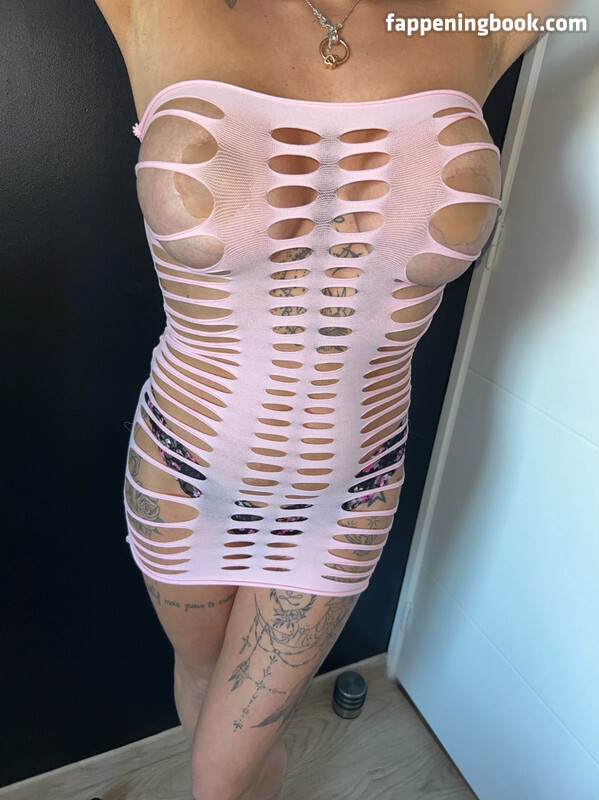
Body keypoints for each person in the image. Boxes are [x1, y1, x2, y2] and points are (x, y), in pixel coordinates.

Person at [94, 2, 564, 798]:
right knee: (206, 688)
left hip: (345, 501)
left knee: (218, 777)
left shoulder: (471, 16)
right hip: (178, 476)